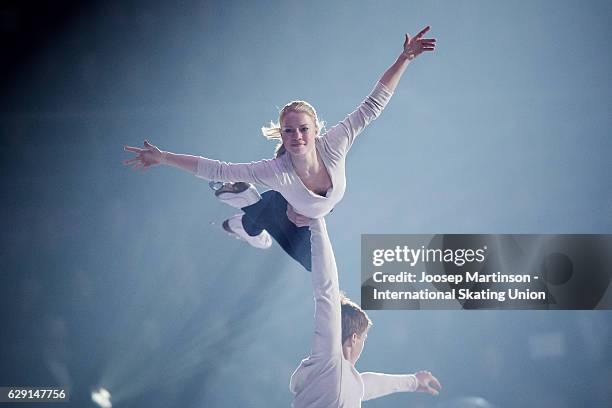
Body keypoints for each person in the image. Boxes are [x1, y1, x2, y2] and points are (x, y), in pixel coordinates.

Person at [123, 27, 436, 270]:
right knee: (314, 263)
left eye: (303, 130)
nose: (297, 136)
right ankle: (244, 206)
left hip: (310, 212)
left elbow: (373, 104)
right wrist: (163, 157)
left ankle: (242, 218)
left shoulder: (336, 143)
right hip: (289, 214)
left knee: (276, 218)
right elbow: (215, 168)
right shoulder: (276, 171)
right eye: (289, 131)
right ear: (282, 136)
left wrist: (404, 58)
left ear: (316, 132)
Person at [290, 217, 441, 406]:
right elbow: (326, 287)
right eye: (364, 338)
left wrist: (414, 381)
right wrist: (317, 221)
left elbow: (372, 384)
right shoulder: (328, 361)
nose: (363, 344)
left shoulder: (345, 381)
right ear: (354, 338)